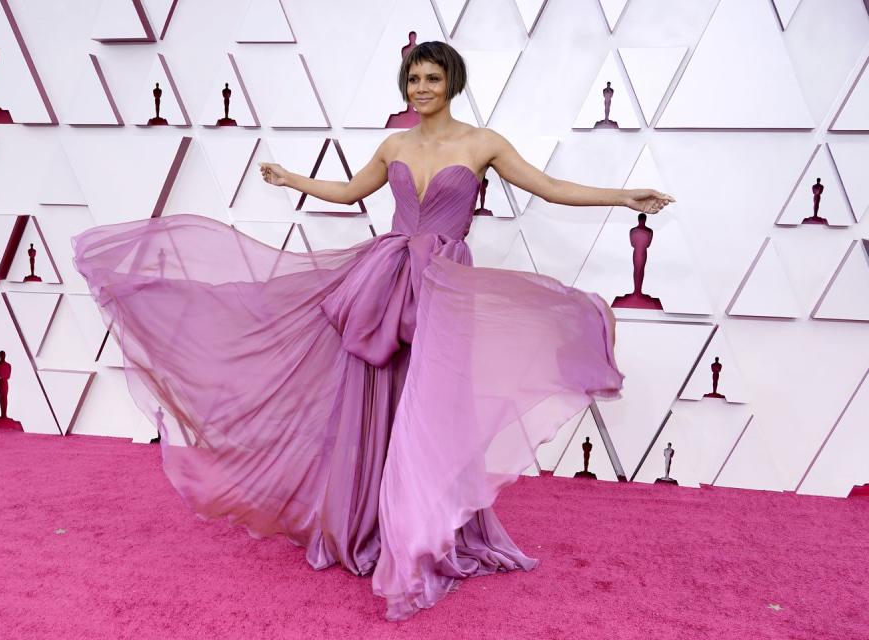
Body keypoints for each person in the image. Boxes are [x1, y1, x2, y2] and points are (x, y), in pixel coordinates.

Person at [72, 40, 673, 621]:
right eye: (414, 80)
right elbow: (350, 191)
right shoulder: (393, 145)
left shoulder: (484, 142)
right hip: (384, 280)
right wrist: (293, 181)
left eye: (432, 78)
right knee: (374, 393)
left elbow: (551, 187)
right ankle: (371, 524)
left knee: (433, 405)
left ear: (452, 83)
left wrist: (623, 197)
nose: (422, 88)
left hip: (442, 286)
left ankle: (426, 528)